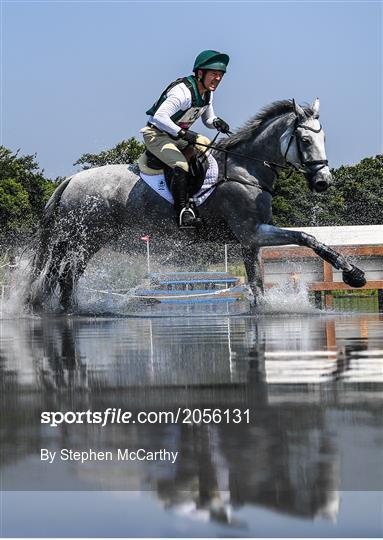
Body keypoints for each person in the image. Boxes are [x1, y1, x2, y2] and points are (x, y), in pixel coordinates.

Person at [140, 50, 231, 227]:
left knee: (207, 145)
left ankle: (200, 197)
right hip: (156, 135)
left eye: (220, 75)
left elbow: (208, 119)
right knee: (180, 164)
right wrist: (182, 133)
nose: (217, 79)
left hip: (175, 136)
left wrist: (217, 122)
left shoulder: (207, 93)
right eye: (214, 74)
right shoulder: (182, 92)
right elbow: (160, 117)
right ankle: (182, 211)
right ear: (200, 73)